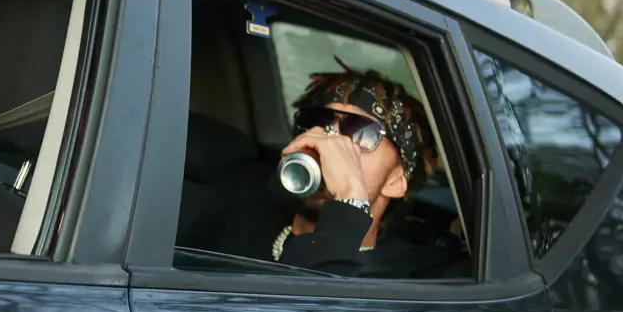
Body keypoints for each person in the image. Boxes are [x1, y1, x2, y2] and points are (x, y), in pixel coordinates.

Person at [190, 62, 462, 277]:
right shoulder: (237, 206)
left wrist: (348, 200)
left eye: (361, 134)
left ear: (396, 180)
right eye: (318, 123)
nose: (330, 145)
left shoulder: (405, 282)